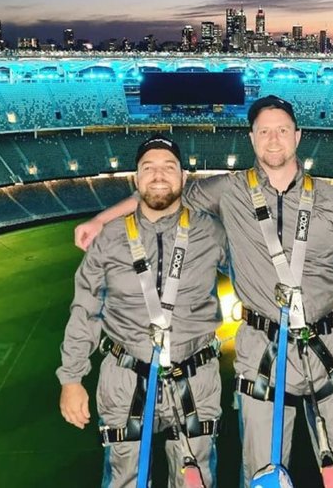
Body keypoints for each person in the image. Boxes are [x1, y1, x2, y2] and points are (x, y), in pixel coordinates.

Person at [76, 96, 333, 487]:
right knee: (260, 475)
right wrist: (101, 220)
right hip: (261, 351)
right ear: (252, 139)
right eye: (265, 132)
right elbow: (163, 194)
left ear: (298, 136)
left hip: (332, 348)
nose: (274, 140)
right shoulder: (228, 192)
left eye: (283, 130)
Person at [58, 134, 228, 488]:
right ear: (135, 180)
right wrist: (72, 379)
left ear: (183, 177)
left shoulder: (212, 233)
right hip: (124, 379)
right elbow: (84, 310)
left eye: (169, 167)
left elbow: (257, 279)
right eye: (148, 168)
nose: (158, 174)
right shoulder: (108, 239)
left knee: (196, 479)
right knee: (125, 480)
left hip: (196, 379)